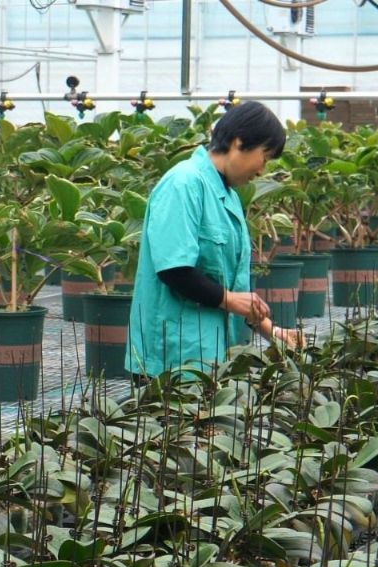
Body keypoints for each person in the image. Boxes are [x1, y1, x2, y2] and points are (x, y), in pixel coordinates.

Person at [125, 101, 301, 379]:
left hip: (212, 354)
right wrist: (230, 300)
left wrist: (271, 330)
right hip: (174, 356)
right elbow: (174, 270)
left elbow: (233, 286)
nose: (261, 171)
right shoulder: (183, 183)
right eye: (264, 157)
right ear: (239, 142)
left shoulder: (227, 196)